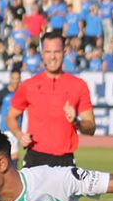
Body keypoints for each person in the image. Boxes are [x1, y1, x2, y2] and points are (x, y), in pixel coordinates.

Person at [6, 32, 95, 169]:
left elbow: (91, 128)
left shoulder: (79, 86)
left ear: (64, 52)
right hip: (35, 159)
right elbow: (11, 117)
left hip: (65, 161)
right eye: (48, 52)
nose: (52, 57)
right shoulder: (29, 85)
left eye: (57, 52)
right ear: (42, 54)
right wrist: (20, 135)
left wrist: (76, 122)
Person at [0, 69, 23, 161]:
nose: (15, 81)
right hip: (7, 130)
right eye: (13, 78)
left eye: (18, 78)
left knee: (10, 159)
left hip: (19, 131)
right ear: (10, 79)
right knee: (13, 157)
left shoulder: (22, 92)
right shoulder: (2, 93)